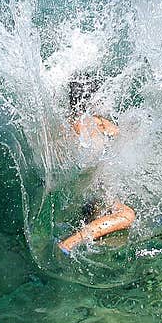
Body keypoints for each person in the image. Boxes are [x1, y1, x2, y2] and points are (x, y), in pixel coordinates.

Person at [58, 76, 136, 255]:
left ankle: (87, 232)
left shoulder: (64, 124)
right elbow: (122, 136)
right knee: (127, 216)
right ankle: (68, 244)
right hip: (93, 192)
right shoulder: (96, 122)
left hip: (73, 194)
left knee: (100, 217)